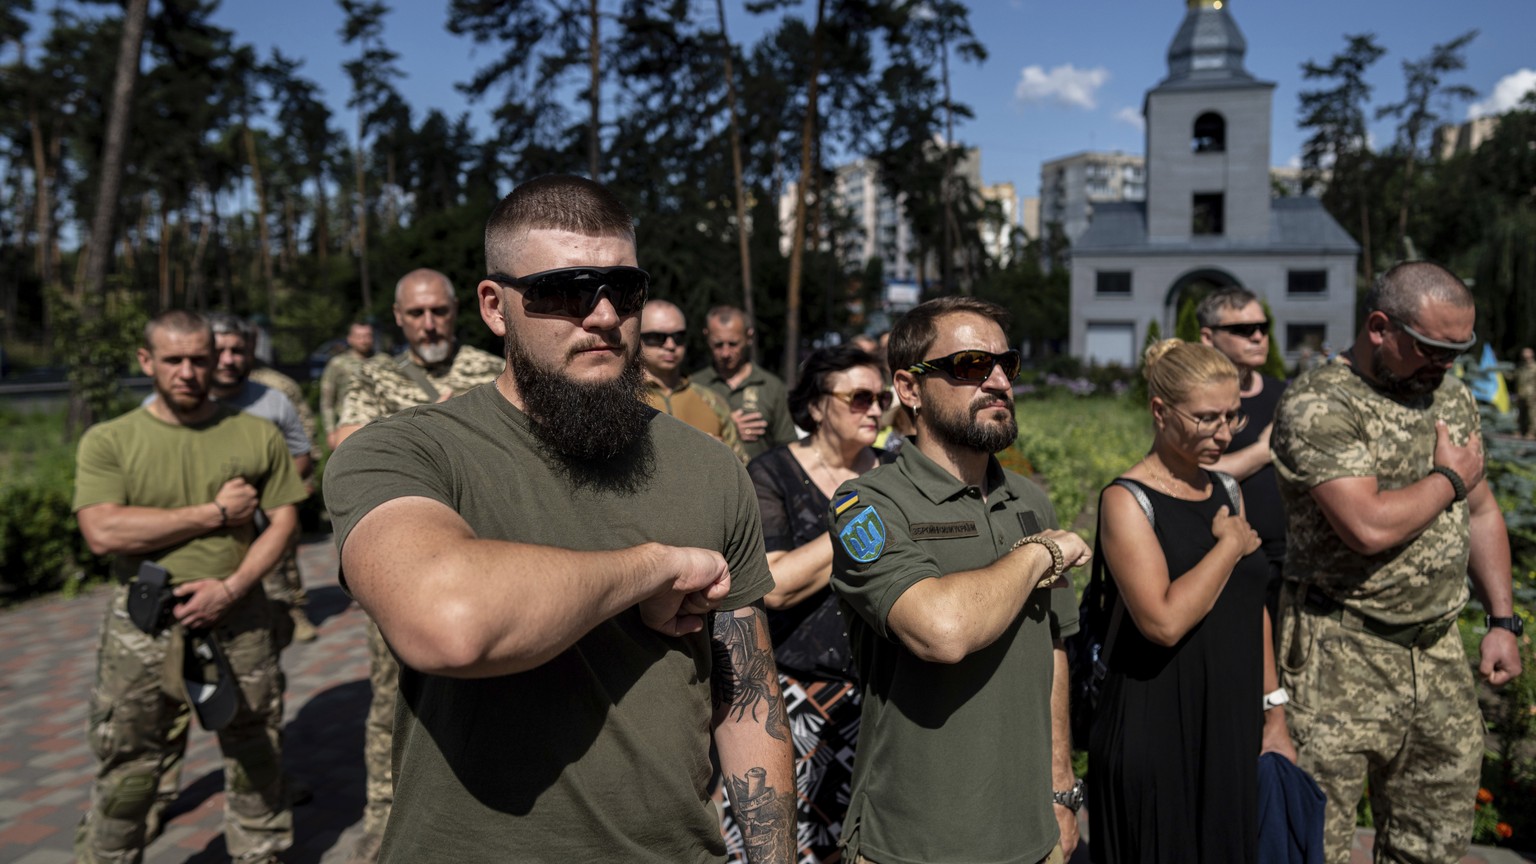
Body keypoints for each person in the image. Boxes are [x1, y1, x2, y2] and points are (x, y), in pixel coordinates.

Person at [323, 174, 795, 863]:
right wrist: (656, 566)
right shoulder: (406, 450)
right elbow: (448, 622)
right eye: (564, 291)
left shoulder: (711, 466)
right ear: (494, 305)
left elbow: (747, 697)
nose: (602, 315)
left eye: (622, 290)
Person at [1272, 261, 1524, 864]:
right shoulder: (1320, 403)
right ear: (1380, 327)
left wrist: (1502, 621)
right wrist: (1448, 478)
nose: (1447, 363)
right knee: (1317, 845)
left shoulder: (1450, 395)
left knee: (1433, 844)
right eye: (1433, 347)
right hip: (1339, 656)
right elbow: (1367, 526)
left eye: (1458, 349)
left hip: (1436, 654)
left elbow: (1483, 511)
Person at [829, 296, 1093, 864]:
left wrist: (1061, 790)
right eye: (972, 366)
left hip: (1032, 836)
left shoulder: (1030, 500)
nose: (998, 381)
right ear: (909, 388)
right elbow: (940, 631)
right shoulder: (867, 503)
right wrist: (1041, 553)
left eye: (1008, 365)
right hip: (912, 842)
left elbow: (1054, 649)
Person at [72, 310, 307, 864]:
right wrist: (212, 514)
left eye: (198, 359)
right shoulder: (110, 440)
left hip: (240, 613)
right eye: (173, 360)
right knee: (129, 767)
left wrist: (231, 587)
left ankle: (261, 855)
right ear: (146, 362)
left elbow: (284, 523)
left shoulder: (255, 433)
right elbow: (102, 531)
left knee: (256, 751)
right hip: (144, 625)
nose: (188, 372)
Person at [1087, 338, 1295, 863]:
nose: (1223, 433)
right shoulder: (1126, 501)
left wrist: (1275, 716)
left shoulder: (1227, 490)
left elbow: (1254, 612)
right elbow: (1163, 621)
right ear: (1160, 411)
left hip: (1228, 726)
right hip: (1155, 729)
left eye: (1233, 418)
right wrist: (1228, 547)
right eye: (1206, 419)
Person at [330, 268, 501, 864]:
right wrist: (442, 424)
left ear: (459, 311)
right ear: (398, 319)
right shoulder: (373, 377)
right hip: (407, 564)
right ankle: (385, 819)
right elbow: (346, 440)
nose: (430, 323)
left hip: (493, 550)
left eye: (440, 311)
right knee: (393, 698)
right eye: (416, 314)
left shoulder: (490, 366)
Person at [718, 346, 895, 862]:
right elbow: (774, 584)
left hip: (877, 692)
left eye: (881, 398)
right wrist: (865, 507)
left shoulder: (895, 469)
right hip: (792, 696)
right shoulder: (771, 473)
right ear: (816, 407)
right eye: (859, 397)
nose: (875, 409)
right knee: (786, 845)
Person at [1197, 287, 1288, 622]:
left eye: (1263, 327)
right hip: (1227, 556)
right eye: (1243, 330)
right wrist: (1265, 450)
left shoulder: (1284, 393)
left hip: (1288, 560)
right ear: (1209, 337)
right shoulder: (1197, 402)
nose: (1258, 337)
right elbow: (1194, 472)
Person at [638, 299, 747, 461]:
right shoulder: (623, 399)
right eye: (657, 337)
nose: (670, 345)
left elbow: (741, 467)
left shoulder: (712, 400)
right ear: (636, 338)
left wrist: (721, 455)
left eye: (678, 337)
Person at [695, 305, 799, 460]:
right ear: (706, 336)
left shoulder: (771, 386)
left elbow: (788, 447)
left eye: (733, 344)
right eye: (718, 344)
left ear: (749, 337)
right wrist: (727, 427)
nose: (725, 353)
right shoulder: (694, 385)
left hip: (758, 482)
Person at [321, 321, 376, 449]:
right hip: (348, 426)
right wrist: (331, 431)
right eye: (359, 336)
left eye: (367, 336)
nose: (364, 340)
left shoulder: (383, 361)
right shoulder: (338, 364)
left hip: (378, 426)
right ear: (350, 339)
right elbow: (327, 401)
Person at [1517, 346, 1535, 439]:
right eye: (1524, 352)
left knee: (1532, 415)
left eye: (1527, 352)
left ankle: (1532, 433)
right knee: (1521, 414)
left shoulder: (1534, 368)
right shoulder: (1522, 367)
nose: (1525, 354)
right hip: (1522, 394)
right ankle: (1521, 431)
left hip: (1532, 395)